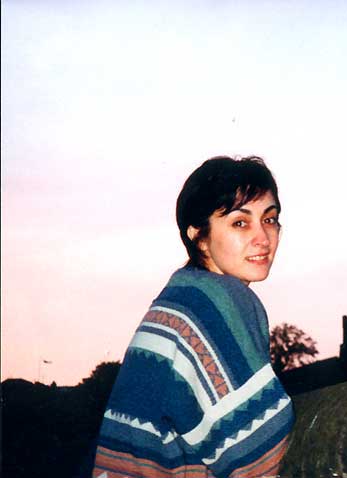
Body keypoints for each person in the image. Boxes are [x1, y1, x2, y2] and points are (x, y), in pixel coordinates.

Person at [92, 156, 295, 478]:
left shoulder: (180, 298)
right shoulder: (217, 302)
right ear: (198, 234)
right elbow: (259, 456)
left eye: (269, 219)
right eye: (240, 223)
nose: (263, 238)